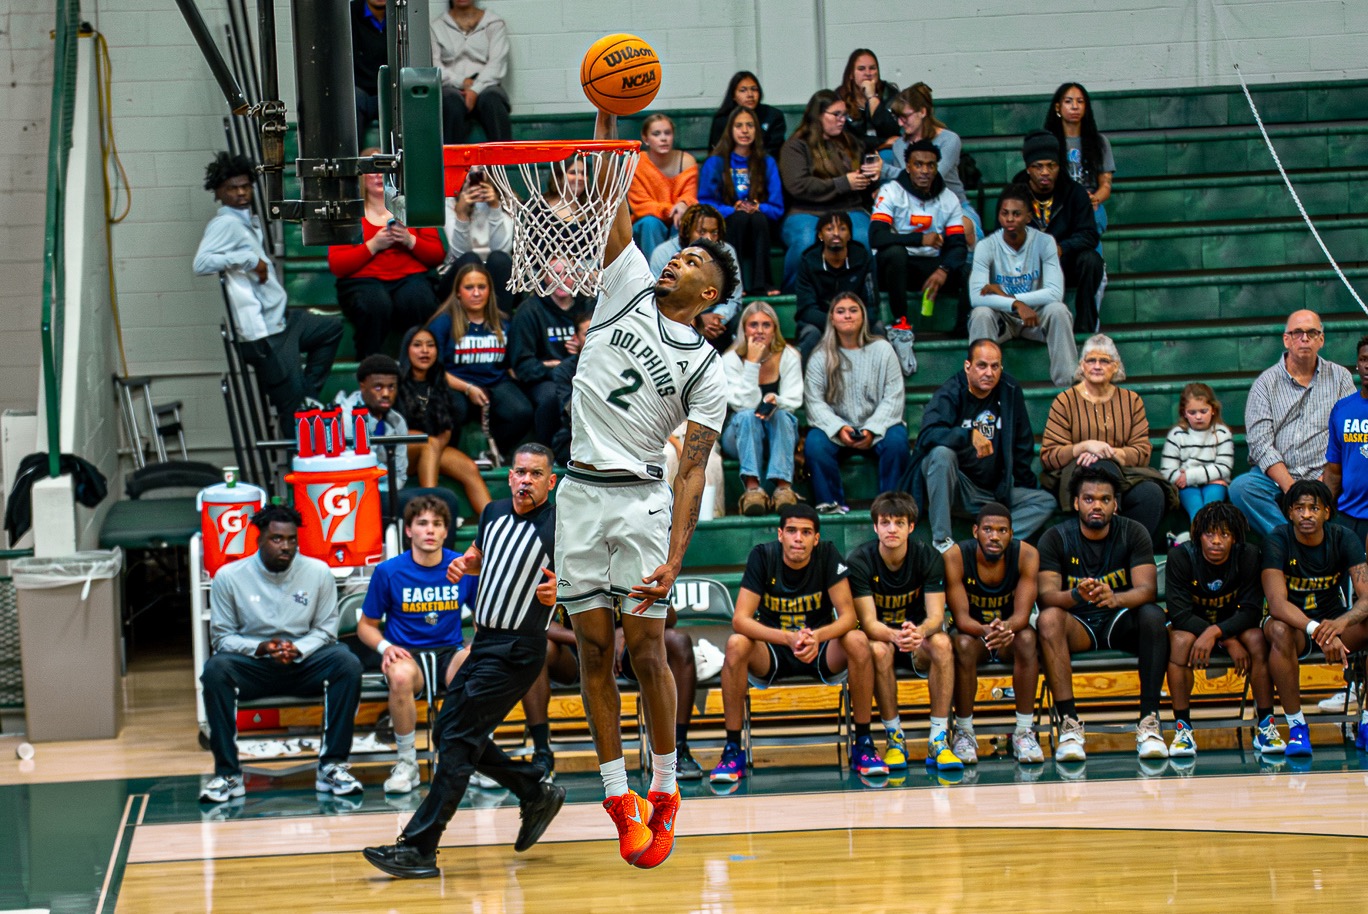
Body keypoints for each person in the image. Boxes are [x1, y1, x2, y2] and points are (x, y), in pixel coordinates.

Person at [555, 109, 736, 869]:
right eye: (677, 252)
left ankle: (664, 787)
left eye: (694, 260)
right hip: (577, 494)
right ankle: (615, 795)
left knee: (647, 651)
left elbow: (691, 467)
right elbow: (610, 202)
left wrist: (678, 550)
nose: (677, 261)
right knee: (593, 652)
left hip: (638, 501)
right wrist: (606, 115)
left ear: (713, 295)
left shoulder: (706, 368)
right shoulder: (628, 282)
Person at [363, 445, 566, 878]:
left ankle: (419, 847)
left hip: (517, 648)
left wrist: (560, 593)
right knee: (449, 731)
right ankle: (532, 790)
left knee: (455, 738)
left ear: (551, 481)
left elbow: (588, 577)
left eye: (536, 474)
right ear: (509, 477)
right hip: (483, 641)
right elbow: (478, 555)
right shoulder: (492, 512)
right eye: (519, 472)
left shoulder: (560, 524)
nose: (525, 480)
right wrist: (466, 566)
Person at [710, 503, 886, 783]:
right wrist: (787, 638)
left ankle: (863, 743)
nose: (798, 538)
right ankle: (733, 750)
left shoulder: (827, 555)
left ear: (816, 538)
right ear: (780, 534)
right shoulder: (762, 556)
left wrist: (817, 636)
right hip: (773, 650)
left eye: (806, 532)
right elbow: (741, 620)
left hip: (820, 649)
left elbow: (848, 616)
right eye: (791, 531)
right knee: (736, 644)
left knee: (857, 639)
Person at [198, 505, 362, 804]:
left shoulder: (318, 572)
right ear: (258, 539)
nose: (285, 546)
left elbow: (326, 631)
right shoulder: (229, 577)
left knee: (345, 661)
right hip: (254, 666)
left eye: (291, 539)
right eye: (276, 539)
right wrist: (260, 648)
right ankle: (228, 774)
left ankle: (332, 766)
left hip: (304, 663)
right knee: (215, 670)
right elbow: (222, 637)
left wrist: (298, 648)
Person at [193, 152, 341, 423]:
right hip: (265, 334)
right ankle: (299, 439)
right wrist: (251, 261)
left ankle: (308, 397)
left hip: (282, 321)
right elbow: (201, 263)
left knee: (331, 329)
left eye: (245, 186)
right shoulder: (225, 224)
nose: (241, 193)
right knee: (293, 414)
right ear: (218, 193)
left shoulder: (246, 220)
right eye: (232, 188)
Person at [1035, 465, 1169, 762]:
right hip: (1077, 623)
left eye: (1105, 499)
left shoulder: (1133, 532)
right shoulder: (1055, 537)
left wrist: (1115, 597)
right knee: (1048, 619)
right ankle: (1069, 726)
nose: (1097, 505)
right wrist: (1075, 595)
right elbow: (1045, 597)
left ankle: (1149, 722)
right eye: (1089, 498)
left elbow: (1147, 589)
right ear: (1076, 503)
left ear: (1115, 504)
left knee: (1153, 615)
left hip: (1118, 619)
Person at [356, 496, 469, 794]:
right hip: (409, 655)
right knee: (400, 674)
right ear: (409, 530)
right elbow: (365, 626)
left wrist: (480, 644)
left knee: (475, 663)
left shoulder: (461, 567)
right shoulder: (389, 571)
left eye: (437, 524)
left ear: (446, 531)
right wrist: (385, 648)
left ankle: (469, 759)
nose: (430, 530)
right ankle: (407, 762)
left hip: (450, 652)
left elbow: (484, 616)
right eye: (422, 524)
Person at [520, 603, 704, 782]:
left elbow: (670, 616)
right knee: (536, 647)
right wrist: (592, 637)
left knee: (678, 641)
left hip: (629, 647)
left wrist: (625, 631)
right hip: (574, 649)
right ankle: (542, 754)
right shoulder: (558, 572)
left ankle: (677, 749)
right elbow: (535, 621)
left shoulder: (631, 571)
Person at [907, 338, 1057, 553]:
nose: (989, 373)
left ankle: (990, 543)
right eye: (982, 365)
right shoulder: (951, 392)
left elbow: (1022, 444)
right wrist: (968, 435)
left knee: (1044, 502)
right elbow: (928, 435)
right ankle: (943, 541)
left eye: (995, 366)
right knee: (941, 454)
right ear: (968, 366)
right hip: (955, 489)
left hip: (992, 493)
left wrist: (1025, 483)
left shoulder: (1009, 390)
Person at [847, 492, 961, 771]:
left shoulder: (928, 557)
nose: (891, 529)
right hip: (884, 641)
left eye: (899, 523)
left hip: (917, 641)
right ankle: (894, 738)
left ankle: (938, 739)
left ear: (911, 527)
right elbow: (869, 623)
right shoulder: (860, 561)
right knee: (875, 647)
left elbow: (936, 616)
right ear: (875, 527)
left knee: (944, 643)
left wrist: (919, 632)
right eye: (885, 523)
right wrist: (897, 635)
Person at [1164, 502, 1280, 758]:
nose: (1216, 541)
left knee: (1258, 639)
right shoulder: (1181, 557)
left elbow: (1251, 610)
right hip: (1194, 628)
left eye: (1224, 534)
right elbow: (1180, 614)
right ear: (1198, 536)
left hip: (1235, 625)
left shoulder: (1249, 555)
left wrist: (1221, 633)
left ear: (1235, 537)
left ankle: (1266, 725)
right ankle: (1183, 729)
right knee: (1179, 642)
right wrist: (1225, 639)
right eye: (1209, 534)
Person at [1261, 479, 1368, 756]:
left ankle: (1366, 721)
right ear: (1290, 513)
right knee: (1279, 631)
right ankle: (1297, 727)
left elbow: (1367, 597)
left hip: (1334, 621)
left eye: (1314, 508)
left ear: (1327, 513)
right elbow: (1276, 604)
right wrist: (1319, 630)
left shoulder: (1345, 538)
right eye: (1299, 508)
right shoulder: (1277, 539)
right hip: (1295, 626)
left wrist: (1340, 624)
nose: (1306, 514)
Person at [1230, 310, 1355, 536]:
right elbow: (1260, 444)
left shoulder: (1340, 377)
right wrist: (1292, 489)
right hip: (1278, 477)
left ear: (1321, 339)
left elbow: (1348, 434)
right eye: (1297, 332)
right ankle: (1288, 540)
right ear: (1286, 339)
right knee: (1242, 488)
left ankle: (1335, 543)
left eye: (1311, 332)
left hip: (1326, 472)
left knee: (1357, 472)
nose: (1304, 338)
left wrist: (1324, 482)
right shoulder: (1265, 384)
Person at [1039, 335, 1170, 542]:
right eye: (1091, 360)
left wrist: (1111, 452)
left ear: (1115, 367)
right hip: (1077, 478)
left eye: (1104, 361)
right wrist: (1083, 447)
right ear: (1082, 366)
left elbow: (1142, 451)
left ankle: (1130, 553)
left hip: (1124, 476)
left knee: (1151, 494)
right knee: (1100, 468)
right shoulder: (1064, 401)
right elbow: (1049, 456)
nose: (1097, 366)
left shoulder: (1131, 401)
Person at [944, 502, 1045, 765]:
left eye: (1002, 530)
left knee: (1027, 639)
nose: (994, 536)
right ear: (975, 530)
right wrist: (988, 630)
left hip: (1010, 634)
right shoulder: (955, 555)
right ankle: (964, 733)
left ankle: (1023, 731)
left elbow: (1023, 616)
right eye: (988, 529)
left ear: (1012, 534)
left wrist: (1007, 628)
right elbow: (961, 618)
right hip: (974, 635)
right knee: (962, 644)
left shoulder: (1027, 555)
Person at [327, 148, 444, 360]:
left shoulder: (411, 205)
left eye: (381, 169)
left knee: (418, 298)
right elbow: (338, 265)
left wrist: (410, 241)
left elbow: (436, 256)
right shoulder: (348, 210)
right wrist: (373, 245)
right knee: (374, 304)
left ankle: (419, 364)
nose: (376, 175)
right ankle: (371, 367)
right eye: (370, 170)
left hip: (410, 279)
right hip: (363, 282)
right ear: (360, 176)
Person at [803, 293, 908, 515]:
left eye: (853, 310)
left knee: (897, 440)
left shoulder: (883, 350)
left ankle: (891, 509)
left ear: (863, 316)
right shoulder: (820, 356)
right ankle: (831, 505)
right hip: (837, 430)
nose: (847, 316)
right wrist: (839, 428)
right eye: (841, 311)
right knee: (814, 443)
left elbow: (894, 396)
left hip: (878, 427)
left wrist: (872, 428)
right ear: (832, 318)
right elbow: (814, 403)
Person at [336, 354, 464, 530]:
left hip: (387, 493)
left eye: (391, 387)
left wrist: (389, 488)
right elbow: (353, 473)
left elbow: (400, 473)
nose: (386, 394)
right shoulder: (346, 420)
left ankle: (438, 558)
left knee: (446, 499)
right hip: (353, 497)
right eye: (378, 388)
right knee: (430, 509)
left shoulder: (397, 422)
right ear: (362, 386)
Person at [967, 184, 1079, 387]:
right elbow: (976, 297)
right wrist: (1015, 305)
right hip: (1002, 318)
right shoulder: (986, 246)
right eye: (1005, 213)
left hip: (1034, 317)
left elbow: (1055, 292)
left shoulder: (1045, 242)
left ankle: (1068, 386)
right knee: (980, 313)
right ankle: (980, 388)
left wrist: (1009, 297)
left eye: (1016, 214)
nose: (1010, 219)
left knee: (1059, 311)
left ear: (1029, 216)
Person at [427, 262, 534, 459]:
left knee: (522, 411)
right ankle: (451, 457)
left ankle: (496, 453)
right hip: (456, 384)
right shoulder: (442, 322)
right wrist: (467, 388)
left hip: (495, 382)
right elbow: (433, 369)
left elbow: (513, 361)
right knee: (453, 409)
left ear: (489, 291)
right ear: (458, 292)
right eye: (469, 288)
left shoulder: (504, 322)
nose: (476, 293)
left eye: (481, 287)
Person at [779, 90, 880, 291]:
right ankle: (791, 294)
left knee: (866, 238)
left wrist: (873, 172)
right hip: (806, 211)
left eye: (844, 115)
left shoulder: (850, 142)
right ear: (818, 115)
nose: (842, 120)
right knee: (805, 240)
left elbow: (863, 181)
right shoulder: (795, 146)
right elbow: (798, 186)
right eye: (836, 115)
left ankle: (869, 295)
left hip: (850, 210)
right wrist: (843, 183)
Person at [869, 139, 966, 332]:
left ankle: (962, 330)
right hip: (894, 269)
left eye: (930, 165)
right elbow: (877, 237)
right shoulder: (891, 192)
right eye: (918, 164)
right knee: (895, 253)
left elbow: (958, 246)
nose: (925, 171)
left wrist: (944, 269)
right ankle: (900, 322)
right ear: (908, 167)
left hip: (931, 267)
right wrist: (920, 239)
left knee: (969, 270)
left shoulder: (949, 198)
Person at [1013, 130, 1104, 333]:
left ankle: (1085, 327)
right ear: (1028, 168)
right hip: (1028, 264)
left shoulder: (1075, 192)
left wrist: (1062, 248)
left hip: (1065, 261)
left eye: (1051, 166)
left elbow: (1089, 234)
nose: (1045, 172)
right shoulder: (1015, 194)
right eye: (1038, 167)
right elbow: (1003, 234)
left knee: (1092, 261)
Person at [396, 327, 492, 515]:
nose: (425, 350)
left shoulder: (440, 384)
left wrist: (432, 455)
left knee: (468, 467)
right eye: (417, 345)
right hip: (398, 449)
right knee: (427, 442)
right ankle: (431, 513)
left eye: (430, 345)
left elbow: (445, 430)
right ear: (406, 350)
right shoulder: (396, 381)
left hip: (432, 449)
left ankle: (495, 525)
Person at [721, 302, 803, 515]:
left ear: (774, 329)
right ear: (744, 329)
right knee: (748, 416)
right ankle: (752, 490)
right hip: (738, 436)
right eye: (753, 325)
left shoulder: (789, 355)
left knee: (784, 415)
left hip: (777, 432)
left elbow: (794, 400)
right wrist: (752, 363)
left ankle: (783, 489)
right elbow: (741, 404)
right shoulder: (729, 359)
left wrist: (776, 400)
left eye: (766, 325)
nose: (759, 331)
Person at [698, 106, 785, 295]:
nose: (745, 131)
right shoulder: (716, 162)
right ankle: (735, 283)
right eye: (739, 126)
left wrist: (758, 207)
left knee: (757, 218)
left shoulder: (767, 162)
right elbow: (705, 203)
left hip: (760, 226)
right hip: (730, 223)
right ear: (730, 130)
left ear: (757, 130)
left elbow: (777, 208)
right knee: (740, 218)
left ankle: (762, 284)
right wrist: (732, 210)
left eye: (750, 125)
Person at [885, 83, 980, 242]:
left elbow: (931, 178)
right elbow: (902, 186)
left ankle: (958, 267)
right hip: (913, 209)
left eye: (905, 116)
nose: (900, 123)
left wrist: (884, 170)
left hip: (954, 206)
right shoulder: (899, 145)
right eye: (897, 117)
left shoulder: (949, 139)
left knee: (961, 229)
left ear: (922, 112)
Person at [508, 260, 584, 447]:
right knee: (552, 396)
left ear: (579, 276)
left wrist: (582, 350)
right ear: (544, 277)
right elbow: (522, 366)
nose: (561, 279)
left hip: (584, 374)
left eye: (568, 273)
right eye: (555, 273)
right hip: (543, 380)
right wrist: (555, 368)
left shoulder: (588, 307)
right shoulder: (530, 310)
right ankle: (546, 452)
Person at [648, 205, 745, 351]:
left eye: (714, 232)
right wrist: (698, 320)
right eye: (702, 231)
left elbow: (733, 298)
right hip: (678, 317)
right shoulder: (663, 253)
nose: (709, 238)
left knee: (743, 320)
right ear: (687, 231)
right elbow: (660, 299)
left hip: (716, 318)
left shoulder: (727, 252)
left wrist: (717, 317)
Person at [793, 211, 879, 362]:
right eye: (829, 229)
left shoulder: (863, 258)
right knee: (810, 333)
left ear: (850, 235)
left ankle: (880, 384)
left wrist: (852, 324)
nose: (836, 234)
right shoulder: (808, 261)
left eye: (842, 229)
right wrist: (838, 324)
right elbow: (806, 309)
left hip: (856, 321)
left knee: (878, 329)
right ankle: (808, 385)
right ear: (820, 235)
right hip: (820, 322)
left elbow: (871, 303)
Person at [437, 167, 516, 315]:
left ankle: (500, 326)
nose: (473, 176)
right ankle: (465, 324)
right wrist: (461, 215)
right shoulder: (449, 203)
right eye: (468, 170)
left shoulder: (506, 201)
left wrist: (494, 207)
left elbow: (502, 249)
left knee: (500, 260)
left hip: (496, 275)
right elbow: (459, 255)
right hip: (458, 274)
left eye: (479, 170)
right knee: (470, 259)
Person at [431, 0, 512, 143]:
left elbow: (497, 64)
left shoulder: (494, 23)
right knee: (449, 102)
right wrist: (461, 82)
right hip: (451, 86)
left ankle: (505, 162)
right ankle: (451, 163)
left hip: (486, 85)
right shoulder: (436, 27)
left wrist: (475, 89)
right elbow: (435, 65)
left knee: (493, 100)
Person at [1043, 83, 1115, 235]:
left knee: (1091, 228)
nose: (1074, 106)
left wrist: (1094, 199)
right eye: (1068, 101)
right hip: (1058, 205)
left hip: (1089, 205)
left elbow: (1106, 185)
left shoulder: (1100, 142)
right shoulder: (1048, 141)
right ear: (1058, 107)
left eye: (1080, 102)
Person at [1160, 382, 1235, 523]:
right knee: (1197, 513)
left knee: (1211, 511)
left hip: (1214, 483)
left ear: (1213, 409)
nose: (1198, 417)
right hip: (1186, 486)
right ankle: (1199, 544)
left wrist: (1189, 475)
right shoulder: (1177, 434)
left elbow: (1223, 468)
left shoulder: (1222, 433)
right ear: (1184, 413)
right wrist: (1184, 480)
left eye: (1203, 411)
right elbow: (1167, 471)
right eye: (1192, 412)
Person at [629, 114, 698, 256]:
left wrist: (683, 204)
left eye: (668, 133)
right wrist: (672, 210)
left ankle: (682, 273)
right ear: (646, 139)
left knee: (683, 222)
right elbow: (641, 205)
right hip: (646, 223)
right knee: (650, 223)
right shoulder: (635, 162)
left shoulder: (687, 160)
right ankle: (654, 276)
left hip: (679, 217)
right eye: (656, 134)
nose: (663, 138)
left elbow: (689, 196)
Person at [1324, 335, 1368, 541]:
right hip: (1348, 514)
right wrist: (1322, 507)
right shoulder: (1342, 409)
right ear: (1357, 365)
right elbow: (1334, 470)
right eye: (1364, 359)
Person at [707, 70, 788, 157]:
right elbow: (717, 152)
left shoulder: (773, 116)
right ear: (733, 96)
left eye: (754, 89)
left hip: (764, 166)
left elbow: (773, 152)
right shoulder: (722, 119)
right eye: (743, 90)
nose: (750, 95)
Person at [835, 48, 900, 152]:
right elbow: (846, 139)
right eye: (861, 69)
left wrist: (872, 97)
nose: (868, 73)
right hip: (853, 153)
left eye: (872, 68)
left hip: (886, 152)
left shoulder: (889, 92)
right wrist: (882, 142)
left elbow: (892, 130)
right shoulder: (839, 97)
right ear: (851, 74)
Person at [350, 0, 387, 140]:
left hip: (392, 88)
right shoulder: (348, 15)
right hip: (360, 88)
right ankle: (351, 160)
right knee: (351, 98)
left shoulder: (402, 14)